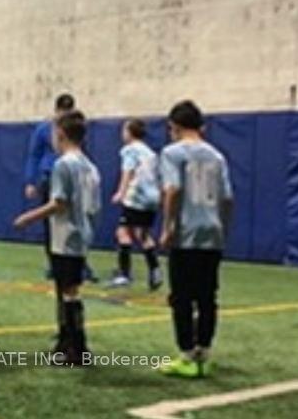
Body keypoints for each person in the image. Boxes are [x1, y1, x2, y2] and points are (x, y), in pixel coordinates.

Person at [14, 110, 100, 366]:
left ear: (60, 134)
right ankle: (66, 343)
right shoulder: (90, 166)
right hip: (82, 233)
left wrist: (29, 217)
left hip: (66, 235)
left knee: (68, 291)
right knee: (68, 288)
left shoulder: (63, 165)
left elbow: (59, 203)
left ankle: (76, 348)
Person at [157, 100, 233, 379]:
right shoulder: (217, 156)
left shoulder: (172, 153)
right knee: (207, 296)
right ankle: (204, 352)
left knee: (181, 297)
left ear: (174, 127)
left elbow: (173, 190)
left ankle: (186, 355)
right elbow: (228, 198)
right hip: (212, 231)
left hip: (186, 232)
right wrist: (223, 227)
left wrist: (168, 226)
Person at [110, 118, 162, 290]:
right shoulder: (150, 153)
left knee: (122, 232)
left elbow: (128, 171)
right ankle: (155, 269)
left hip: (137, 196)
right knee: (143, 234)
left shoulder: (130, 150)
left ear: (130, 133)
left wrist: (121, 192)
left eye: (124, 130)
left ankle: (124, 274)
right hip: (152, 198)